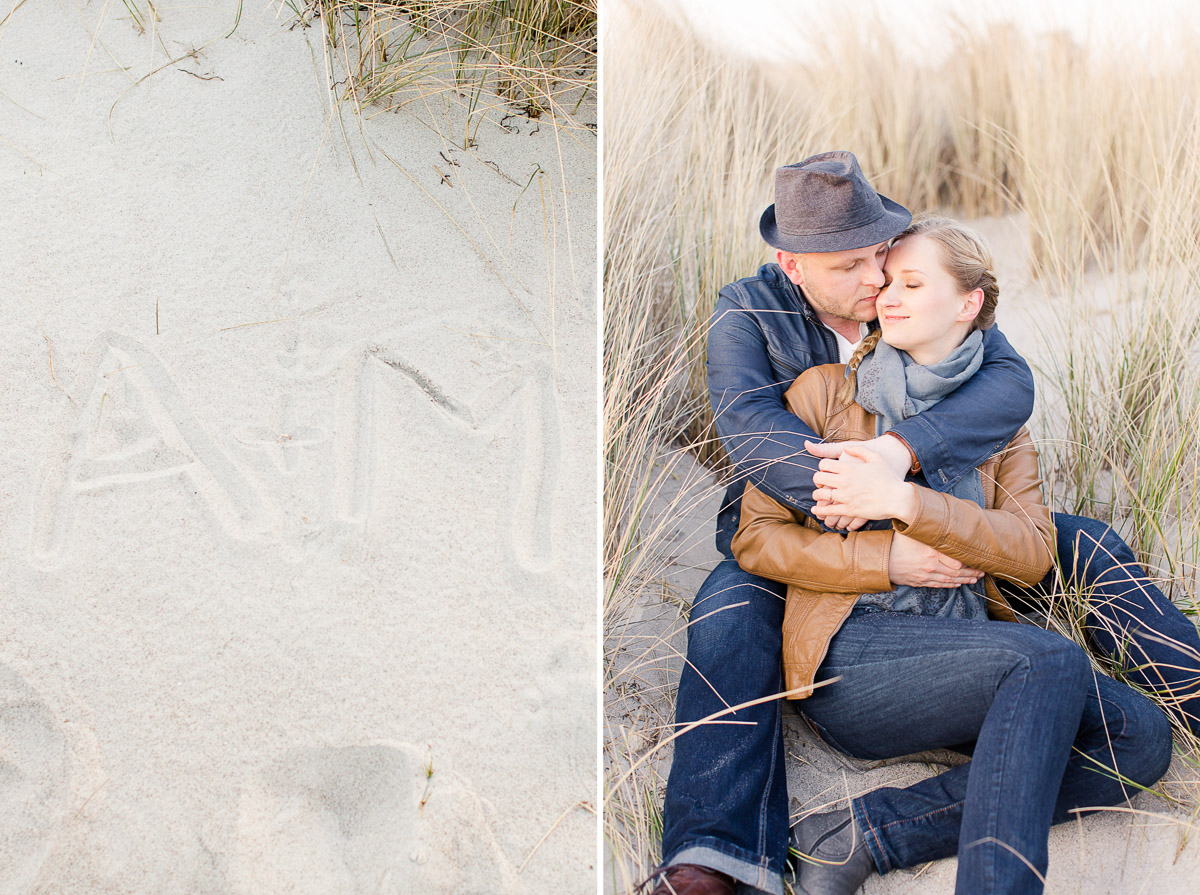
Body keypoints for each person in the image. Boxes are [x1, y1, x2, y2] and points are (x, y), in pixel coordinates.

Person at [649, 151, 1200, 895]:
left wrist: (902, 471)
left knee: (1093, 579)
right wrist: (873, 518)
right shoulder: (757, 321)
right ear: (792, 264)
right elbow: (751, 437)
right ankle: (714, 853)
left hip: (949, 547)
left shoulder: (945, 317)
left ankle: (1188, 694)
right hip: (816, 538)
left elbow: (1007, 385)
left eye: (887, 258)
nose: (878, 282)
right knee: (729, 608)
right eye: (856, 267)